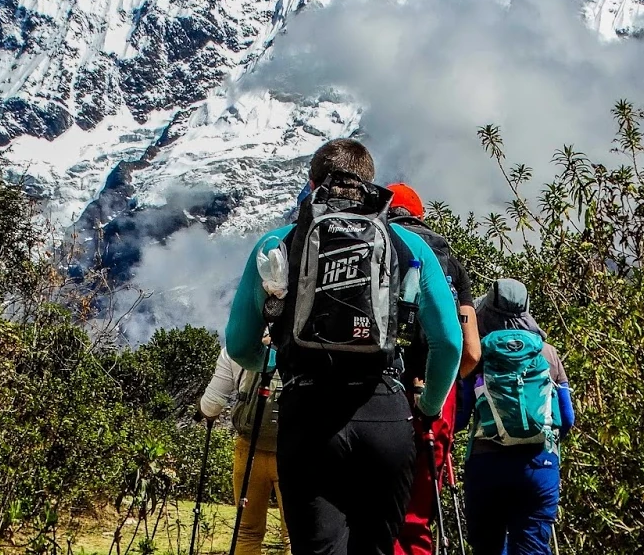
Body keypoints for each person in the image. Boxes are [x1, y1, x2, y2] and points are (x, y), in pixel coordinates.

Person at [225, 139, 463, 555]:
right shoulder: (409, 246)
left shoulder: (277, 243)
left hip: (308, 415)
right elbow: (448, 343)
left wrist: (278, 358)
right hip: (385, 412)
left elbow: (240, 345)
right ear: (369, 183)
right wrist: (427, 408)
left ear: (312, 182)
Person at [386, 183, 482, 555]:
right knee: (417, 517)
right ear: (419, 215)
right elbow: (469, 351)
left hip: (381, 392)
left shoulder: (380, 247)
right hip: (436, 399)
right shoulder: (448, 261)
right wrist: (440, 391)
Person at [459, 278, 575, 555]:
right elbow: (567, 417)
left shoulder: (478, 355)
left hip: (486, 466)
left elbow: (461, 416)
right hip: (539, 465)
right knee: (532, 548)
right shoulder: (548, 353)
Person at [198, 345, 288, 555]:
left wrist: (201, 410)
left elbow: (211, 406)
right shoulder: (306, 343)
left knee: (247, 532)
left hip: (250, 451)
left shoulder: (237, 349)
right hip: (295, 452)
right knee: (294, 534)